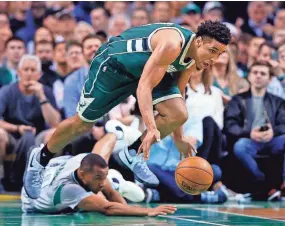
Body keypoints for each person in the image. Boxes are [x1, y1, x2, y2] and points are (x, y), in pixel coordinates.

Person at [24, 21, 231, 199]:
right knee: (82, 124)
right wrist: (151, 127)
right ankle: (40, 157)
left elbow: (180, 92)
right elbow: (144, 86)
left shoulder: (195, 59)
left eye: (220, 54)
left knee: (179, 113)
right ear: (198, 41)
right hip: (114, 66)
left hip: (145, 72)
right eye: (212, 51)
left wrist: (179, 138)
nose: (214, 59)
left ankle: (133, 153)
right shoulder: (172, 45)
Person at [22, 125, 176, 215]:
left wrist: (128, 209)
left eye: (105, 177)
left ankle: (116, 134)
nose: (103, 182)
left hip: (59, 167)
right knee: (94, 204)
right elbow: (107, 207)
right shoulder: (69, 189)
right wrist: (147, 212)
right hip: (33, 201)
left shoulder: (86, 164)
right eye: (98, 178)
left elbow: (111, 194)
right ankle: (117, 177)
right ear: (82, 174)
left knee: (99, 163)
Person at [224, 61, 285, 200]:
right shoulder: (237, 100)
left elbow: (283, 124)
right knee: (240, 146)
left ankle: (283, 185)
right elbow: (230, 125)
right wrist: (248, 133)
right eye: (255, 72)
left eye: (263, 73)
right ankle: (263, 182)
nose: (258, 76)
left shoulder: (278, 101)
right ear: (249, 76)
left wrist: (273, 132)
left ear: (270, 79)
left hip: (273, 140)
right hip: (249, 140)